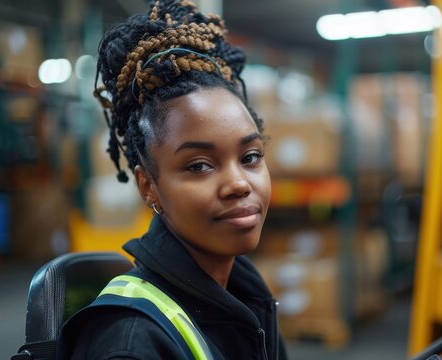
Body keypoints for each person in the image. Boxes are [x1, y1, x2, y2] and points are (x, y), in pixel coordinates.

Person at [57, 0, 287, 359]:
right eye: (198, 166)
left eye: (250, 157)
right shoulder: (130, 344)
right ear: (148, 185)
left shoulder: (244, 291)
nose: (239, 183)